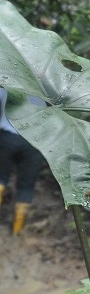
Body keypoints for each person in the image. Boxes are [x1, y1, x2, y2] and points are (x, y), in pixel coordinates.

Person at [0, 88, 46, 234]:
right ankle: (16, 231)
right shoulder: (44, 89)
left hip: (6, 138)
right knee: (26, 186)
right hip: (34, 142)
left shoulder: (6, 85)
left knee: (0, 179)